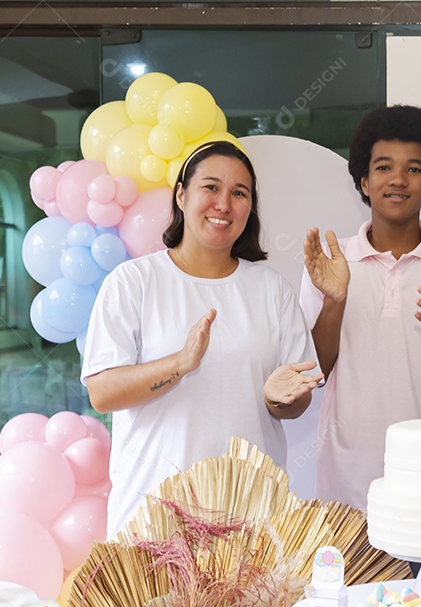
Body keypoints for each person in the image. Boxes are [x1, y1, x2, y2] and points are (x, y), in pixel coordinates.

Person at [82, 141, 322, 538]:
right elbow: (103, 393)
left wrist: (281, 398)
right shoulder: (133, 282)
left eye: (239, 193)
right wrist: (179, 364)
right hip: (154, 517)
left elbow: (296, 404)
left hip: (251, 518)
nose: (223, 204)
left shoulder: (270, 288)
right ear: (181, 195)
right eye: (210, 187)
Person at [300, 105, 421, 510]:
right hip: (347, 482)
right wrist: (335, 301)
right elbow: (314, 369)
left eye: (414, 169)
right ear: (364, 181)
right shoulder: (333, 260)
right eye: (384, 168)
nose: (398, 180)